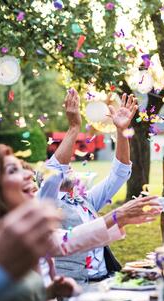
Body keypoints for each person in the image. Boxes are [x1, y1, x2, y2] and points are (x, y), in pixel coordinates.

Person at [0, 146, 161, 301]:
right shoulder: (44, 204)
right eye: (13, 170)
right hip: (82, 288)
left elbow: (66, 240)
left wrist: (47, 294)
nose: (28, 173)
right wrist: (74, 127)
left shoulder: (84, 200)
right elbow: (53, 174)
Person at [39, 89, 150, 283]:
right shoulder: (46, 207)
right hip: (75, 286)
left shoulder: (86, 200)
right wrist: (74, 128)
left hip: (107, 279)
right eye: (63, 168)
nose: (67, 169)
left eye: (69, 168)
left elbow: (120, 172)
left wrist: (122, 131)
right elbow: (55, 171)